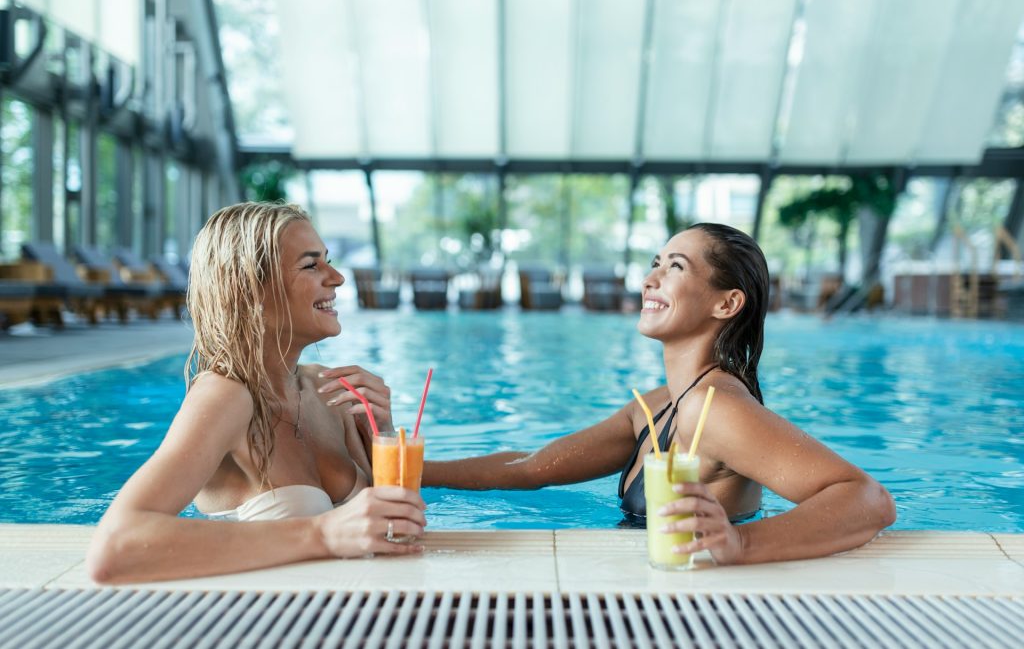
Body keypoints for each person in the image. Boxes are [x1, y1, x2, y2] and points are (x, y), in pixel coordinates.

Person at [424, 223, 895, 565]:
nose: (650, 280)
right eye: (655, 264)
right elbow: (530, 469)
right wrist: (405, 472)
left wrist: (742, 546)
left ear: (726, 303)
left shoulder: (716, 410)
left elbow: (867, 499)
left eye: (675, 267)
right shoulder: (657, 405)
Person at [87, 202, 426, 583]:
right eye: (311, 265)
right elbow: (115, 547)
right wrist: (323, 534)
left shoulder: (328, 390)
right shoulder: (226, 397)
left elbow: (391, 526)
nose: (337, 278)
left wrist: (382, 433)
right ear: (251, 290)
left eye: (327, 261)